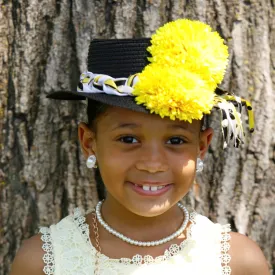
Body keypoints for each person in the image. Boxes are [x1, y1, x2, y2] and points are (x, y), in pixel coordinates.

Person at [10, 19, 270, 275]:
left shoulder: (238, 262)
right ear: (89, 143)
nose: (152, 163)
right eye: (128, 139)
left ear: (201, 147)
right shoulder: (44, 262)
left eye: (176, 141)